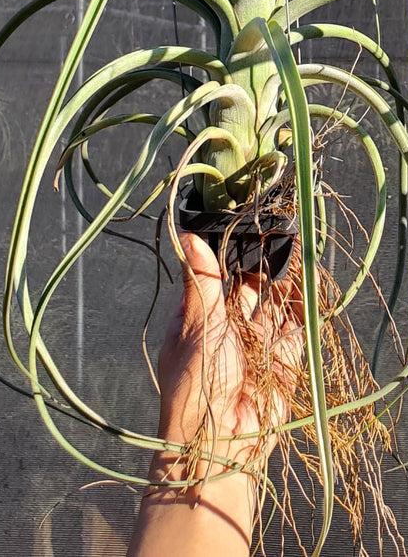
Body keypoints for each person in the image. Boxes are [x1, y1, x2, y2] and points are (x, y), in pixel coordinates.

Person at [128, 230, 303, 557]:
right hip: (244, 449)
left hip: (238, 451)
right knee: (292, 315)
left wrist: (201, 432)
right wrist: (232, 453)